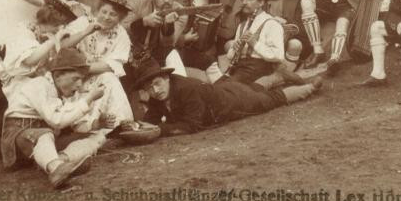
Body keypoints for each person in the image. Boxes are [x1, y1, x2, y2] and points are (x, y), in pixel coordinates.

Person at [0, 1, 76, 168]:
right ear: (52, 23)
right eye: (58, 27)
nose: (58, 31)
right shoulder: (23, 33)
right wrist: (54, 40)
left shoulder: (38, 34)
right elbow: (30, 59)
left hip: (5, 74)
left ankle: (20, 152)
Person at [0, 48, 109, 188]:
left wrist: (96, 124)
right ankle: (55, 168)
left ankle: (62, 161)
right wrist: (88, 99)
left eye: (82, 80)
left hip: (45, 144)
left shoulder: (63, 93)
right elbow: (56, 121)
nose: (79, 85)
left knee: (97, 136)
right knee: (45, 134)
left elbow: (77, 125)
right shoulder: (39, 85)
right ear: (57, 76)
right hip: (19, 139)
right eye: (75, 79)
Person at [136, 64, 321, 135]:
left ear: (167, 78)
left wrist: (160, 130)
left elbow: (192, 125)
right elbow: (150, 119)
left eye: (157, 83)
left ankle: (310, 87)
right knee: (253, 89)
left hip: (232, 103)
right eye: (149, 88)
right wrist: (136, 128)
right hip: (226, 89)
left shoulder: (186, 88)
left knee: (270, 99)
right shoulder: (157, 95)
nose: (155, 90)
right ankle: (276, 77)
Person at [59, 0, 134, 131]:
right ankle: (84, 125)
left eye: (113, 14)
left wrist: (83, 68)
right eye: (104, 11)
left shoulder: (121, 35)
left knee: (109, 78)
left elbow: (112, 66)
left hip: (98, 75)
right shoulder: (83, 22)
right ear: (97, 10)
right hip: (73, 77)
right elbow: (62, 46)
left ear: (120, 18)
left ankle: (118, 124)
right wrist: (85, 32)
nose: (106, 17)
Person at [129, 0, 221, 83]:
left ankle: (224, 87)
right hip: (138, 54)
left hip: (164, 51)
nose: (167, 0)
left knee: (209, 61)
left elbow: (168, 44)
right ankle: (181, 86)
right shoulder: (137, 4)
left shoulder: (180, 11)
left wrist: (168, 25)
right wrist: (144, 22)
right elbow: (124, 28)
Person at [223, 0, 286, 84]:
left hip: (259, 69)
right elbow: (230, 57)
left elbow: (278, 55)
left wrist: (254, 43)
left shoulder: (271, 24)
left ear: (261, 3)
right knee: (217, 85)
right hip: (240, 67)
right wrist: (234, 48)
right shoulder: (242, 25)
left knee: (224, 87)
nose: (244, 2)